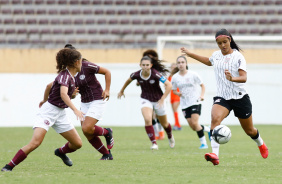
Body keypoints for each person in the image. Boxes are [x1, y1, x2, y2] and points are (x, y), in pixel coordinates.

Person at [180, 28, 268, 165]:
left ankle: (261, 143)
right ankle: (215, 155)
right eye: (219, 43)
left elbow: (244, 77)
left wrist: (232, 78)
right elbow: (208, 61)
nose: (223, 45)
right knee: (214, 119)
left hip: (240, 98)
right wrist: (190, 54)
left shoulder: (238, 56)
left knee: (250, 130)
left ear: (230, 40)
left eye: (225, 42)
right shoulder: (216, 55)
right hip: (223, 97)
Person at [1, 48, 85, 172]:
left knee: (77, 143)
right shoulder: (65, 75)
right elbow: (63, 94)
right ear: (76, 62)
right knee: (35, 143)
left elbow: (49, 86)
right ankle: (8, 167)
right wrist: (75, 109)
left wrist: (46, 99)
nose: (82, 63)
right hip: (49, 112)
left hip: (60, 113)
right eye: (82, 61)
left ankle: (60, 152)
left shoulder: (70, 77)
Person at [40, 44, 114, 160]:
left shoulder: (86, 66)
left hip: (97, 99)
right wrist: (73, 94)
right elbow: (52, 87)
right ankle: (106, 154)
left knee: (86, 128)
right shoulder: (67, 73)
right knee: (88, 132)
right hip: (84, 102)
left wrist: (107, 89)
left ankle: (107, 132)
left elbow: (107, 72)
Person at [117, 55, 175, 150]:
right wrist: (122, 90)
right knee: (148, 119)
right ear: (140, 65)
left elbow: (169, 85)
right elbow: (128, 80)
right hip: (145, 99)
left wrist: (163, 98)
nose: (145, 67)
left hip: (158, 100)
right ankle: (154, 143)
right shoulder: (136, 74)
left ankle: (170, 136)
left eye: (147, 65)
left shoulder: (155, 74)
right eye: (143, 65)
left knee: (164, 124)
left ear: (151, 65)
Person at [171, 56, 210, 149]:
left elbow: (202, 85)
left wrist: (202, 95)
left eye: (182, 62)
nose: (181, 64)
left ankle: (204, 143)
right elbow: (173, 90)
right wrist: (178, 93)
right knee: (193, 126)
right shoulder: (175, 77)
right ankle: (208, 129)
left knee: (195, 122)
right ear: (177, 65)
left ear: (186, 63)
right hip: (184, 104)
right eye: (179, 63)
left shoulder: (193, 74)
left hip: (195, 101)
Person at [168, 63, 182, 131]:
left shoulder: (178, 76)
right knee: (174, 110)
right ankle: (176, 124)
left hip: (177, 94)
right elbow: (167, 85)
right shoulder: (170, 76)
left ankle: (178, 125)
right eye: (172, 67)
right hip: (172, 95)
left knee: (175, 109)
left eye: (174, 67)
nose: (173, 68)